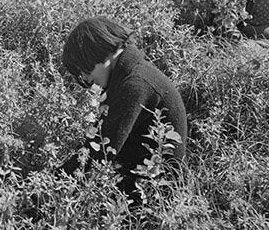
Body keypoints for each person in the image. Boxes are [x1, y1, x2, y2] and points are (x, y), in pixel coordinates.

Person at [62, 17, 187, 202]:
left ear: (97, 54)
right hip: (145, 178)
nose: (87, 80)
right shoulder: (130, 74)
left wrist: (52, 183)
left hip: (155, 195)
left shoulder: (135, 84)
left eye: (85, 71)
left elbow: (102, 150)